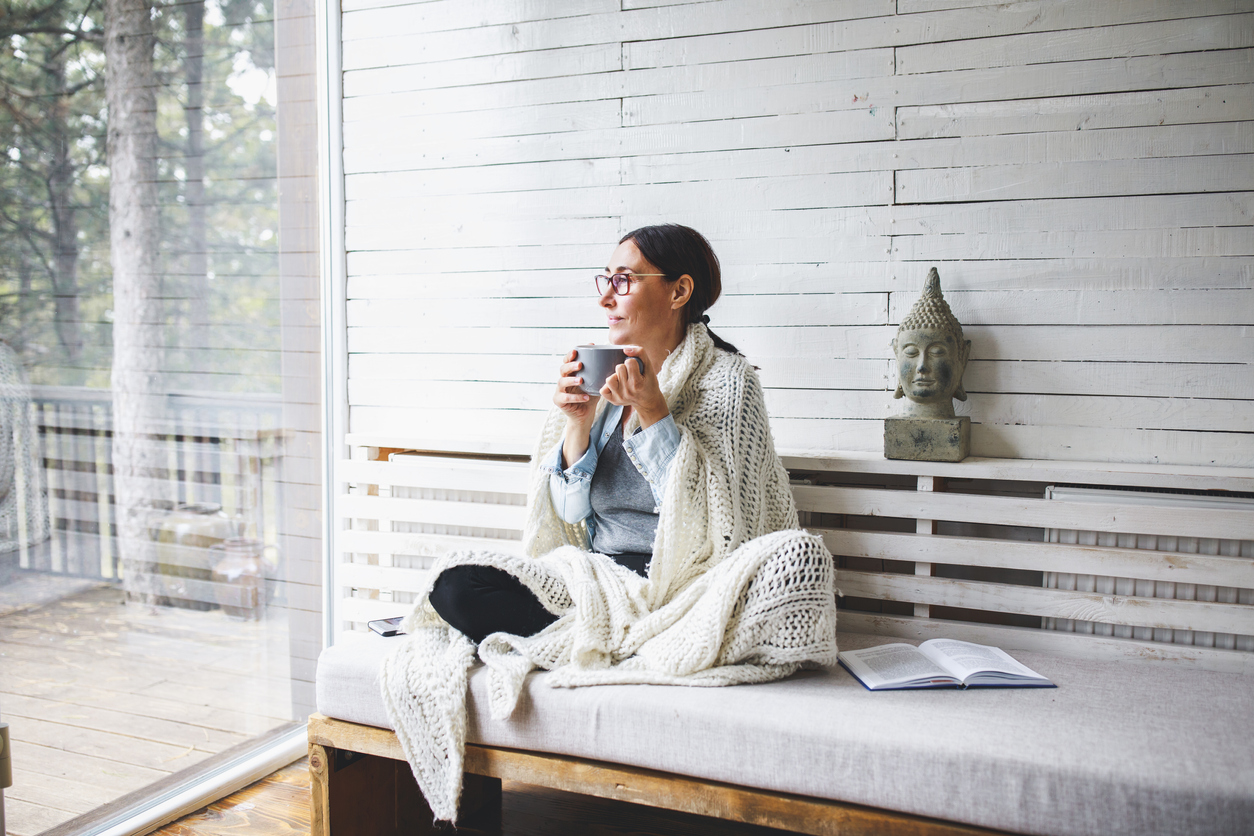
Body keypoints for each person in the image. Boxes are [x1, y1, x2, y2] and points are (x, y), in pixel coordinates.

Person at [382, 224, 836, 823]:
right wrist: (577, 421)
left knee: (800, 559)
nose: (606, 297)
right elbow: (568, 520)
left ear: (678, 292)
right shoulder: (604, 377)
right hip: (597, 582)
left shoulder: (728, 381)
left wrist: (653, 412)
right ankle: (625, 647)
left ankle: (624, 642)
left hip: (691, 588)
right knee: (454, 586)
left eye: (623, 280)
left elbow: (729, 519)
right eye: (607, 280)